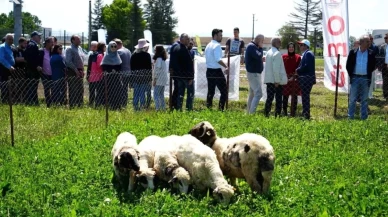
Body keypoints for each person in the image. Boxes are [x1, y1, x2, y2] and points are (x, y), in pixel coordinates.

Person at [346, 35, 376, 120]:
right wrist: (351, 76)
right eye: (367, 41)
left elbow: (373, 66)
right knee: (352, 99)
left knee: (364, 100)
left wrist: (367, 73)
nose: (369, 43)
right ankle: (350, 117)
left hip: (366, 78)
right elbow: (348, 65)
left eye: (369, 41)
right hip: (355, 78)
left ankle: (363, 117)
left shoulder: (371, 53)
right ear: (362, 42)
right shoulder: (353, 52)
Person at [205, 28, 229, 111]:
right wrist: (226, 66)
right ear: (215, 35)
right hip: (216, 71)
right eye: (220, 35)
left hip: (209, 70)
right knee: (224, 91)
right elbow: (218, 59)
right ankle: (221, 109)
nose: (221, 37)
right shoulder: (217, 45)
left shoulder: (208, 45)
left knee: (211, 91)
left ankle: (208, 108)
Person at [264, 37, 287, 117]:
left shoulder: (269, 52)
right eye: (279, 42)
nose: (280, 43)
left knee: (269, 98)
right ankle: (277, 114)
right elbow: (276, 69)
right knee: (278, 99)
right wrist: (277, 81)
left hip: (269, 80)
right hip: (275, 81)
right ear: (276, 43)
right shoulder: (277, 53)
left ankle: (266, 114)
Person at [171, 33, 194, 111]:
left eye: (188, 39)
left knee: (180, 94)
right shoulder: (184, 49)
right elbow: (189, 64)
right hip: (186, 76)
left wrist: (174, 74)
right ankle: (189, 109)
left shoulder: (175, 48)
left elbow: (173, 62)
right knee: (190, 94)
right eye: (187, 39)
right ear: (181, 39)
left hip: (178, 76)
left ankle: (178, 108)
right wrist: (191, 77)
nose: (188, 40)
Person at [296, 39, 316, 120]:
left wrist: (297, 70)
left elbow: (306, 66)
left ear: (305, 46)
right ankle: (305, 112)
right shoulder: (307, 54)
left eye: (301, 45)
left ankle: (306, 114)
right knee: (305, 96)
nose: (300, 46)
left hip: (306, 79)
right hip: (306, 79)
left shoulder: (308, 54)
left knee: (305, 96)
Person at [245, 34, 264, 114]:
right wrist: (261, 48)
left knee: (252, 94)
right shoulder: (252, 46)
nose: (262, 43)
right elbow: (259, 55)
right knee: (258, 93)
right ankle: (252, 113)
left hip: (254, 73)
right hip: (253, 74)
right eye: (262, 41)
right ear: (259, 40)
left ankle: (248, 112)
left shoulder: (254, 47)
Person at [130, 39, 152, 111]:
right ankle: (142, 107)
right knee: (142, 92)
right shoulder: (147, 55)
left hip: (135, 76)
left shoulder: (133, 55)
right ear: (144, 47)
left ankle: (135, 107)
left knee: (136, 92)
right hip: (144, 76)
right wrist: (150, 78)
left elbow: (131, 67)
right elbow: (149, 68)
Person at [101, 41, 123, 110]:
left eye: (115, 46)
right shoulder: (106, 56)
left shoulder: (117, 56)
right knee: (109, 91)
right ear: (109, 47)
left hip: (116, 77)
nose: (113, 48)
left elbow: (119, 66)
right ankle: (110, 106)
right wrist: (111, 70)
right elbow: (103, 67)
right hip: (108, 77)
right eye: (112, 46)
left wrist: (115, 70)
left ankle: (117, 105)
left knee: (117, 91)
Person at [282, 42, 302, 116]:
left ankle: (293, 111)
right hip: (286, 79)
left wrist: (293, 77)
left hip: (294, 80)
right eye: (289, 47)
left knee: (294, 96)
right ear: (287, 48)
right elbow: (282, 68)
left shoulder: (298, 57)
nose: (291, 48)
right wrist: (285, 78)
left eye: (292, 47)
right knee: (285, 96)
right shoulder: (283, 57)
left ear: (294, 48)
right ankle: (284, 111)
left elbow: (299, 69)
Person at [65, 35, 85, 108]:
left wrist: (82, 70)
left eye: (79, 39)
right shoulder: (69, 49)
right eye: (78, 39)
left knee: (80, 88)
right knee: (73, 88)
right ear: (73, 40)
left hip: (80, 71)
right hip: (72, 71)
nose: (79, 41)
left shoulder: (80, 48)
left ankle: (80, 104)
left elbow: (82, 59)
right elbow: (68, 61)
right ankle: (73, 105)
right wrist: (75, 70)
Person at [24, 31, 42, 105]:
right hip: (32, 70)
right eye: (38, 36)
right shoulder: (32, 45)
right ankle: (31, 102)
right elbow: (29, 58)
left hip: (31, 69)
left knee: (33, 86)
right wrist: (36, 66)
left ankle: (33, 102)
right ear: (34, 37)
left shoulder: (31, 44)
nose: (40, 38)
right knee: (32, 86)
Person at [114, 38, 132, 108]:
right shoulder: (128, 50)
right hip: (128, 72)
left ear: (117, 44)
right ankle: (125, 103)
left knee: (120, 89)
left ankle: (121, 104)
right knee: (125, 89)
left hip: (121, 73)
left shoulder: (119, 52)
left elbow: (118, 64)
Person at [87, 42, 105, 107]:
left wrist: (88, 75)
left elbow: (89, 66)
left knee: (92, 92)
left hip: (92, 76)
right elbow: (100, 66)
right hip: (98, 76)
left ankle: (91, 104)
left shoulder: (92, 55)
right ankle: (98, 105)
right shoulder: (100, 55)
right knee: (99, 92)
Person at [0, 34, 15, 103]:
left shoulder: (10, 47)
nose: (11, 41)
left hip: (10, 69)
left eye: (12, 39)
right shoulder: (2, 47)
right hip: (4, 68)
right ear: (6, 39)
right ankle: (4, 100)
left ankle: (9, 100)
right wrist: (9, 66)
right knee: (4, 85)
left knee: (9, 85)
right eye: (9, 39)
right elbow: (1, 59)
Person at [152, 45, 168, 111]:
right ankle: (163, 108)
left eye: (155, 50)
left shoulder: (158, 59)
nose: (154, 51)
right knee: (161, 94)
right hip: (163, 79)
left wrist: (154, 79)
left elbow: (157, 70)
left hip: (159, 79)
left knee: (156, 94)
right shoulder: (163, 59)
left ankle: (158, 108)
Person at [378, 33, 388, 102]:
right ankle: (385, 96)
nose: (385, 39)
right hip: (384, 66)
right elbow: (380, 57)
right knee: (385, 81)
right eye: (384, 38)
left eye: (386, 38)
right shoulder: (382, 47)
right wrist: (380, 66)